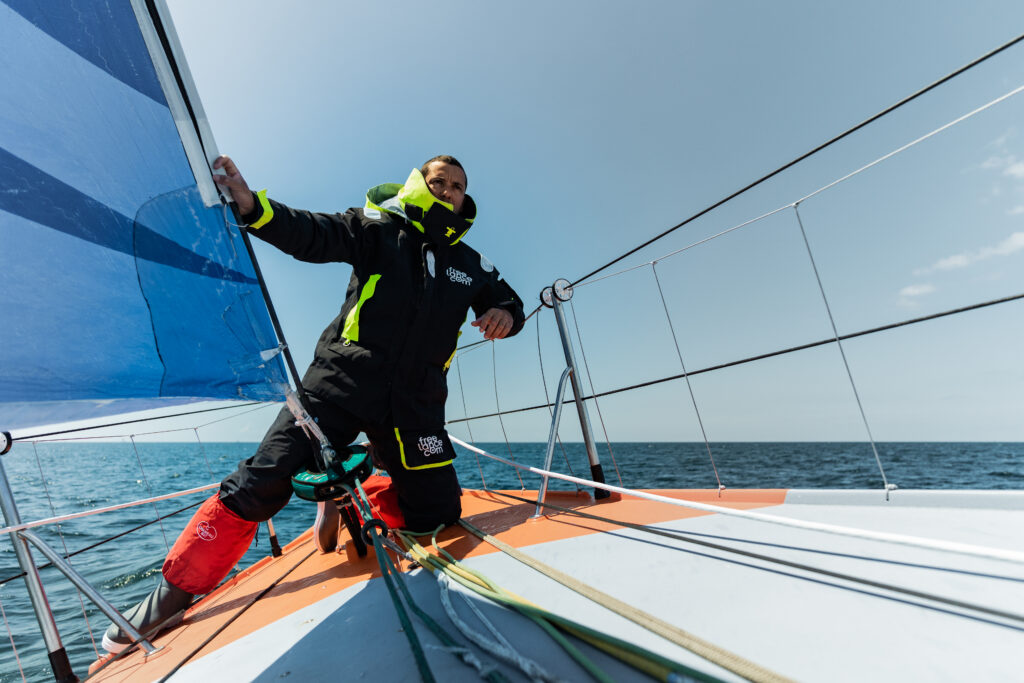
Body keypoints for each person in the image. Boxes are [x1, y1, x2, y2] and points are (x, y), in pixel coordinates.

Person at [102, 155, 525, 653]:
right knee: (260, 482)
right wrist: (253, 207)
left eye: (458, 186)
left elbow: (509, 302)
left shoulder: (470, 263)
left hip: (416, 400)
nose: (450, 191)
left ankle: (352, 491)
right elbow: (313, 233)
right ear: (420, 185)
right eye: (439, 182)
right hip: (339, 383)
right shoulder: (377, 227)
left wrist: (503, 314)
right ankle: (171, 595)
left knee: (438, 512)